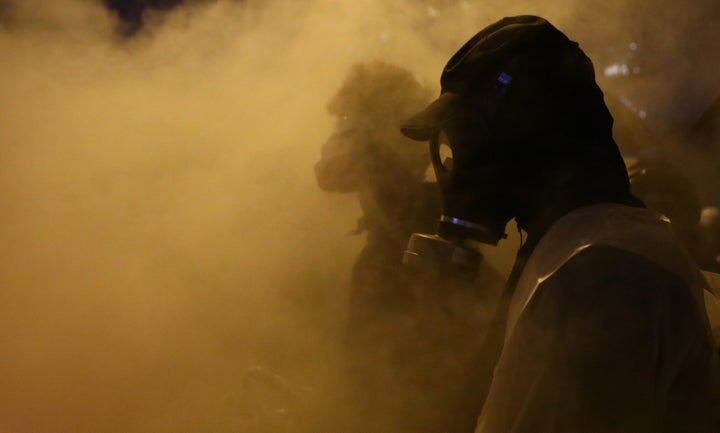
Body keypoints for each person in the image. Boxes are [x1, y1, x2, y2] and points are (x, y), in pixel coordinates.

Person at [400, 15, 720, 433]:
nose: (452, 164)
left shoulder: (604, 272)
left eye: (467, 139)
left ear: (530, 136)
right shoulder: (581, 249)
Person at [314, 61, 505, 433]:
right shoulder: (424, 228)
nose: (330, 141)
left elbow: (383, 397)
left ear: (373, 143)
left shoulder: (406, 254)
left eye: (343, 124)